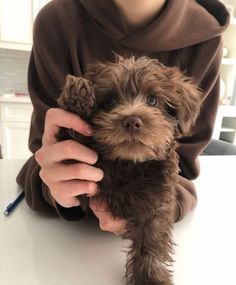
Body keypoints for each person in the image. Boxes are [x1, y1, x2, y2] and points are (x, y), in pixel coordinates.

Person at [16, 0, 229, 234]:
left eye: (152, 101)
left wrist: (155, 212)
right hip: (65, 238)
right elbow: (41, 159)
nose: (132, 117)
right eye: (110, 102)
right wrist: (58, 188)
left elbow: (183, 168)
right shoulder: (56, 22)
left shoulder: (206, 37)